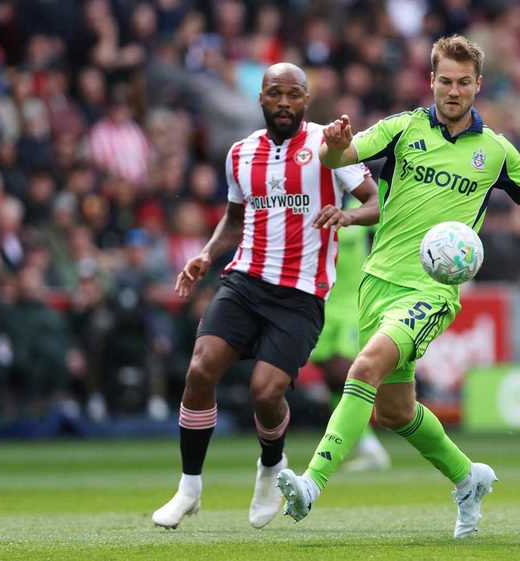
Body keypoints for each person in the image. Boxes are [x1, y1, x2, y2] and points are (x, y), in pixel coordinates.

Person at [276, 35, 520, 539]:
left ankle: (311, 484)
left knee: (365, 367)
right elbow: (341, 158)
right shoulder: (402, 129)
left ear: (477, 86)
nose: (453, 90)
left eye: (463, 82)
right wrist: (336, 147)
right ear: (432, 81)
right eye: (445, 80)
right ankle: (469, 479)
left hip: (432, 292)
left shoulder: (495, 152)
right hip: (377, 286)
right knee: (395, 411)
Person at [151, 63, 379, 530]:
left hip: (300, 294)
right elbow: (235, 220)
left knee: (266, 392)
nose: (283, 103)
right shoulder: (240, 153)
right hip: (244, 281)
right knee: (200, 369)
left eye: (293, 95)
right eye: (275, 94)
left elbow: (376, 202)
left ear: (305, 102)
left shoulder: (329, 148)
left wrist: (348, 217)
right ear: (260, 99)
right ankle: (189, 488)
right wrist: (206, 254)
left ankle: (271, 464)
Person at [309, 195, 390, 472]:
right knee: (330, 374)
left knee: (346, 371)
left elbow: (385, 220)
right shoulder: (313, 204)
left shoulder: (360, 207)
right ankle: (367, 446)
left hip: (353, 305)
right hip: (321, 302)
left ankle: (363, 442)